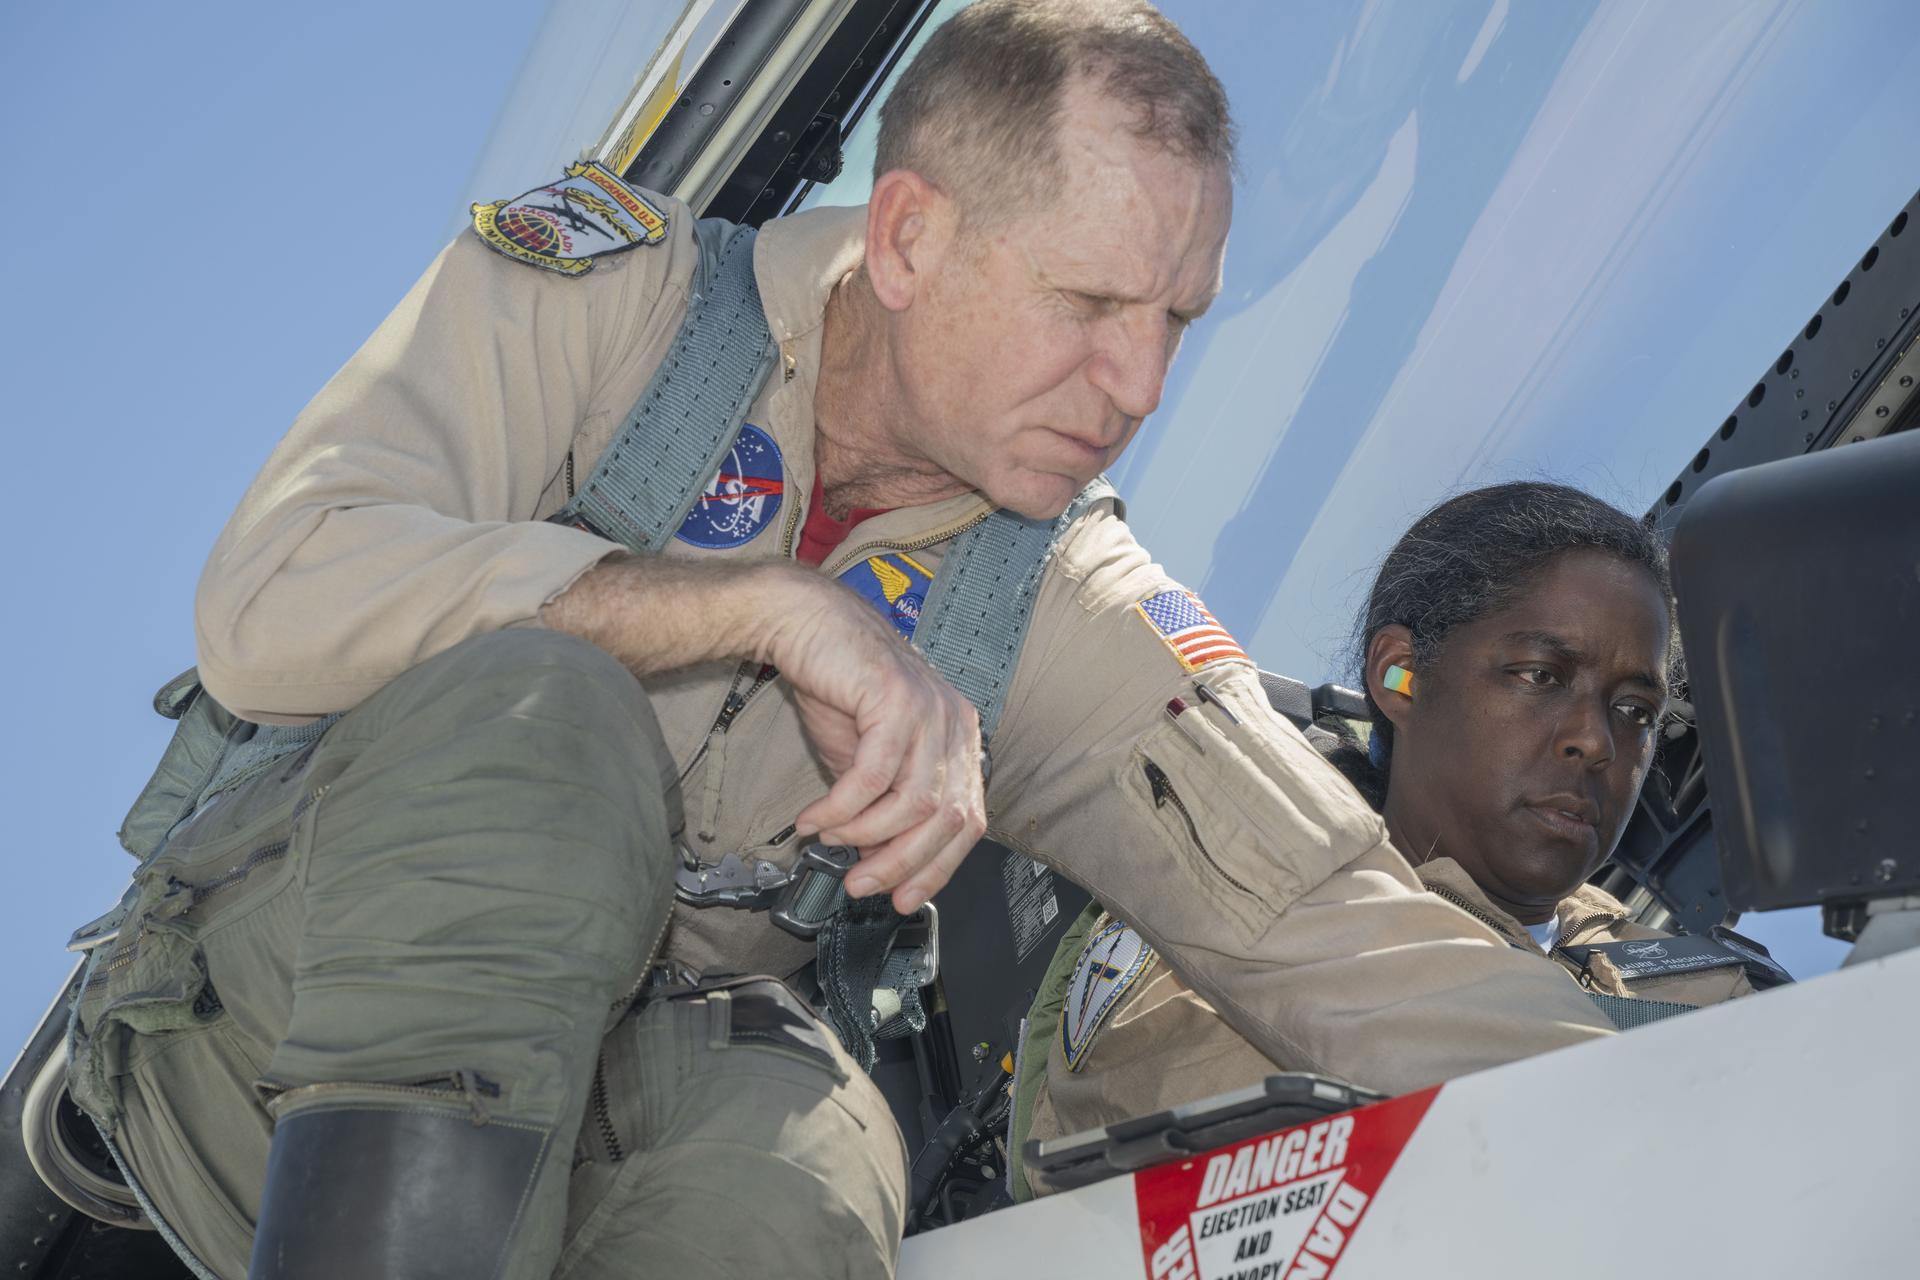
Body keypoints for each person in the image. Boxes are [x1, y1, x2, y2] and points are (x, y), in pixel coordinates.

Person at [66, 6, 1616, 1279]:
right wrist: (766, 609)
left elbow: (1333, 929)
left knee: (813, 1154)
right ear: (911, 237)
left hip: (619, 1099)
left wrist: (1675, 1092)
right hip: (283, 1018)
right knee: (545, 714)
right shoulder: (612, 310)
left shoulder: (1058, 595)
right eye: (1089, 303)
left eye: (1176, 321)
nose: (1139, 385)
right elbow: (276, 596)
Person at [1016, 482, 1773, 1196]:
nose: (1597, 740)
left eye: (1635, 711)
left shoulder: (1716, 991)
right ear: (1400, 675)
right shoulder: (1222, 916)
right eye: (1541, 675)